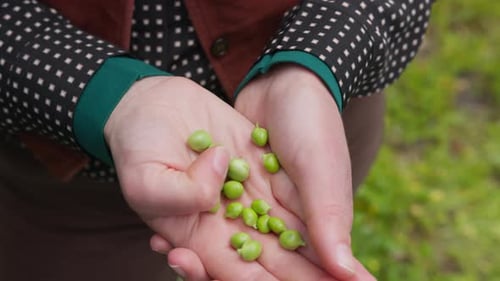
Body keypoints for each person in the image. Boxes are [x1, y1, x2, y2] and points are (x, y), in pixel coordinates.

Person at [0, 0, 434, 280]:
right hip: (62, 175)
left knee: (307, 227)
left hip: (314, 124)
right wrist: (107, 95)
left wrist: (313, 62)